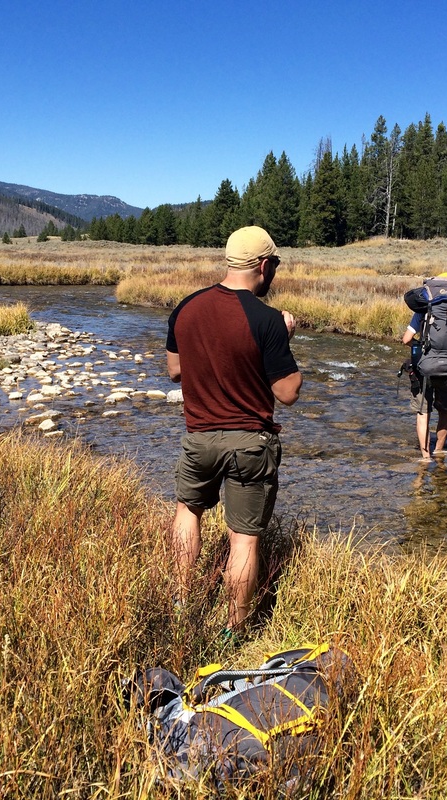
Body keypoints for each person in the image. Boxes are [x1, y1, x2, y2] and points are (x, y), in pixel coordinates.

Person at [166, 225, 302, 637]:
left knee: (188, 513)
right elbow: (288, 392)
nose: (273, 272)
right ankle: (235, 630)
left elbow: (175, 371)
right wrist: (286, 338)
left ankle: (181, 601)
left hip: (198, 438)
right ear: (263, 266)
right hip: (249, 443)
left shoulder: (185, 308)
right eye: (274, 265)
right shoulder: (267, 320)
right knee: (243, 540)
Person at [401, 272, 447, 458]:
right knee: (444, 411)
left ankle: (426, 457)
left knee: (423, 412)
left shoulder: (423, 310)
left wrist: (420, 346)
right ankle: (439, 450)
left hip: (424, 369)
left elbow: (406, 339)